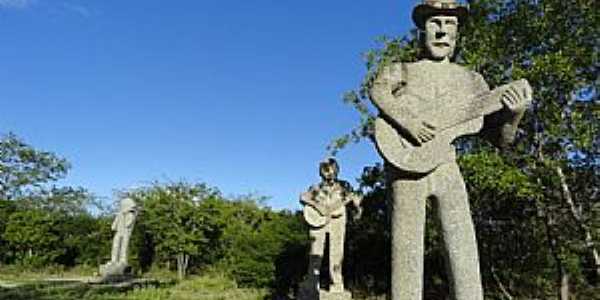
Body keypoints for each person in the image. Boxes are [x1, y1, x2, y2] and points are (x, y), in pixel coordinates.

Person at [368, 1, 532, 299]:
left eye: (450, 23)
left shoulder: (472, 81)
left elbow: (501, 139)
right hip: (405, 170)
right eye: (434, 22)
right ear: (421, 29)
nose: (442, 30)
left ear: (457, 33)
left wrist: (514, 115)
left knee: (463, 248)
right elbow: (377, 90)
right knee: (407, 255)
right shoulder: (402, 70)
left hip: (447, 168)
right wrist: (409, 122)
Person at [298, 158, 362, 298]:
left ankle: (337, 284)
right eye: (325, 170)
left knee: (337, 254)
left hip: (338, 220)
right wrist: (317, 206)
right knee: (315, 253)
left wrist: (356, 205)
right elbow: (303, 197)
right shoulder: (317, 188)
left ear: (336, 170)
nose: (329, 173)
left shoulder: (344, 187)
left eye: (331, 170)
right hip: (319, 222)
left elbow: (355, 201)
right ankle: (311, 282)